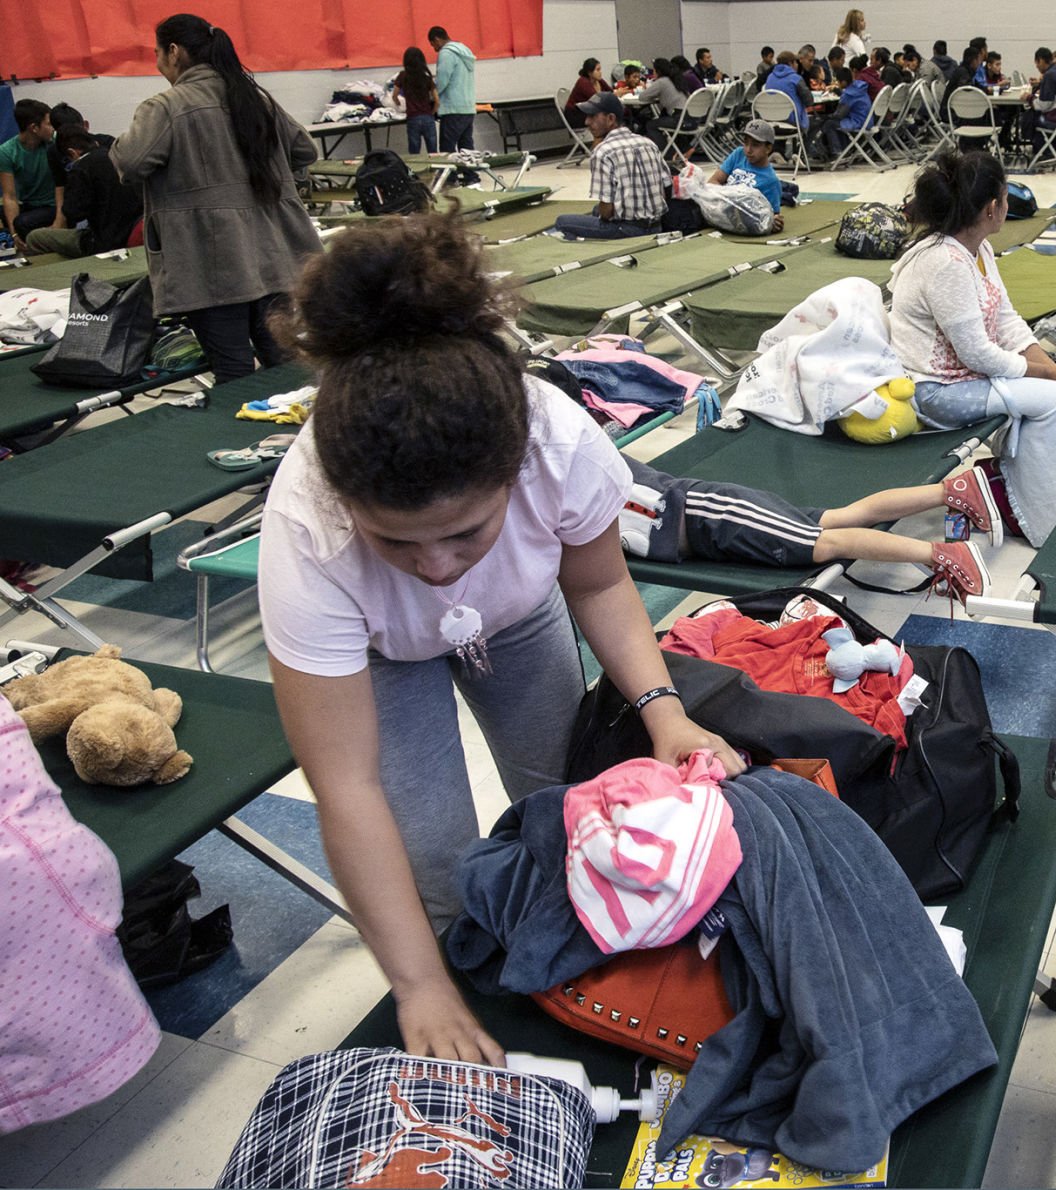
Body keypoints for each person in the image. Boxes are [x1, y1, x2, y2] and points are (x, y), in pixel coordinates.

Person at [258, 212, 742, 1063]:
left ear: (515, 475)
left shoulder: (555, 439)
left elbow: (595, 582)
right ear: (348, 509)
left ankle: (577, 956)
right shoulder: (309, 530)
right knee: (434, 855)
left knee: (565, 795)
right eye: (397, 542)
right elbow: (347, 789)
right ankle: (470, 979)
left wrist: (663, 709)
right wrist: (420, 988)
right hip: (382, 658)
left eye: (467, 533)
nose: (438, 567)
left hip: (519, 621)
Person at [889, 151, 1056, 547]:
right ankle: (1040, 520)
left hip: (968, 377)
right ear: (990, 209)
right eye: (1003, 196)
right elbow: (977, 354)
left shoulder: (975, 247)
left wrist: (1045, 362)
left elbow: (1004, 318)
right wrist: (1049, 373)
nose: (1007, 204)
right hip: (935, 392)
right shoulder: (945, 262)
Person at [111, 14, 319, 384]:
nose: (158, 63)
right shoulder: (255, 98)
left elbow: (131, 160)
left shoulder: (165, 107)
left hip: (210, 264)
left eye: (157, 53)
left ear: (173, 52)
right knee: (286, 366)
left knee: (234, 373)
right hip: (273, 256)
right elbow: (304, 150)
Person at [620, 462, 994, 599]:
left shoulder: (581, 458)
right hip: (705, 527)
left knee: (823, 543)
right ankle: (953, 491)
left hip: (707, 516)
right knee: (839, 519)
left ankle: (945, 555)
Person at [23, 129, 142, 258]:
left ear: (72, 152)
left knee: (35, 237)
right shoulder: (120, 157)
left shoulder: (81, 168)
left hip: (105, 243)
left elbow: (73, 213)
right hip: (138, 229)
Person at [564, 92, 667, 238]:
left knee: (562, 222)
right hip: (656, 227)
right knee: (595, 210)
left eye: (593, 116)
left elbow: (606, 212)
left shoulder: (603, 152)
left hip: (626, 230)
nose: (587, 122)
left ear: (611, 119)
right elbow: (663, 191)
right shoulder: (649, 143)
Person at [0, 100, 64, 243]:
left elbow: (62, 187)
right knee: (9, 216)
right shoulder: (7, 152)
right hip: (31, 205)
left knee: (23, 223)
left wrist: (60, 220)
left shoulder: (56, 143)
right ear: (34, 128)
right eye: (48, 124)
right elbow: (9, 196)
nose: (53, 128)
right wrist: (14, 234)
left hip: (54, 204)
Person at [710, 120, 786, 231]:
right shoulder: (739, 154)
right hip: (718, 208)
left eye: (755, 145)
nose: (748, 150)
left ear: (768, 148)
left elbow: (769, 217)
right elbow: (713, 182)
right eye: (746, 143)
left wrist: (773, 223)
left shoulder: (771, 182)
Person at [427, 26, 477, 155]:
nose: (434, 49)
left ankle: (450, 175)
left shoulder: (446, 53)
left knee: (447, 148)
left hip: (452, 109)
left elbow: (442, 80)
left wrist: (432, 96)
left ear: (437, 39)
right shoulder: (465, 51)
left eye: (433, 44)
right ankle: (470, 175)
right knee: (466, 147)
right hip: (468, 107)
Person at [392, 47, 439, 154]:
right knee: (433, 152)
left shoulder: (403, 75)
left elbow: (394, 95)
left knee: (414, 153)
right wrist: (432, 112)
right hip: (428, 118)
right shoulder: (426, 77)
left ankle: (415, 170)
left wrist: (399, 104)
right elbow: (437, 101)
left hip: (412, 118)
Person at [763, 52, 813, 135]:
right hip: (792, 122)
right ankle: (803, 146)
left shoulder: (770, 77)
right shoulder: (796, 79)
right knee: (817, 123)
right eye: (796, 62)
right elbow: (809, 101)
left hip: (771, 121)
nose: (797, 65)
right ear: (791, 63)